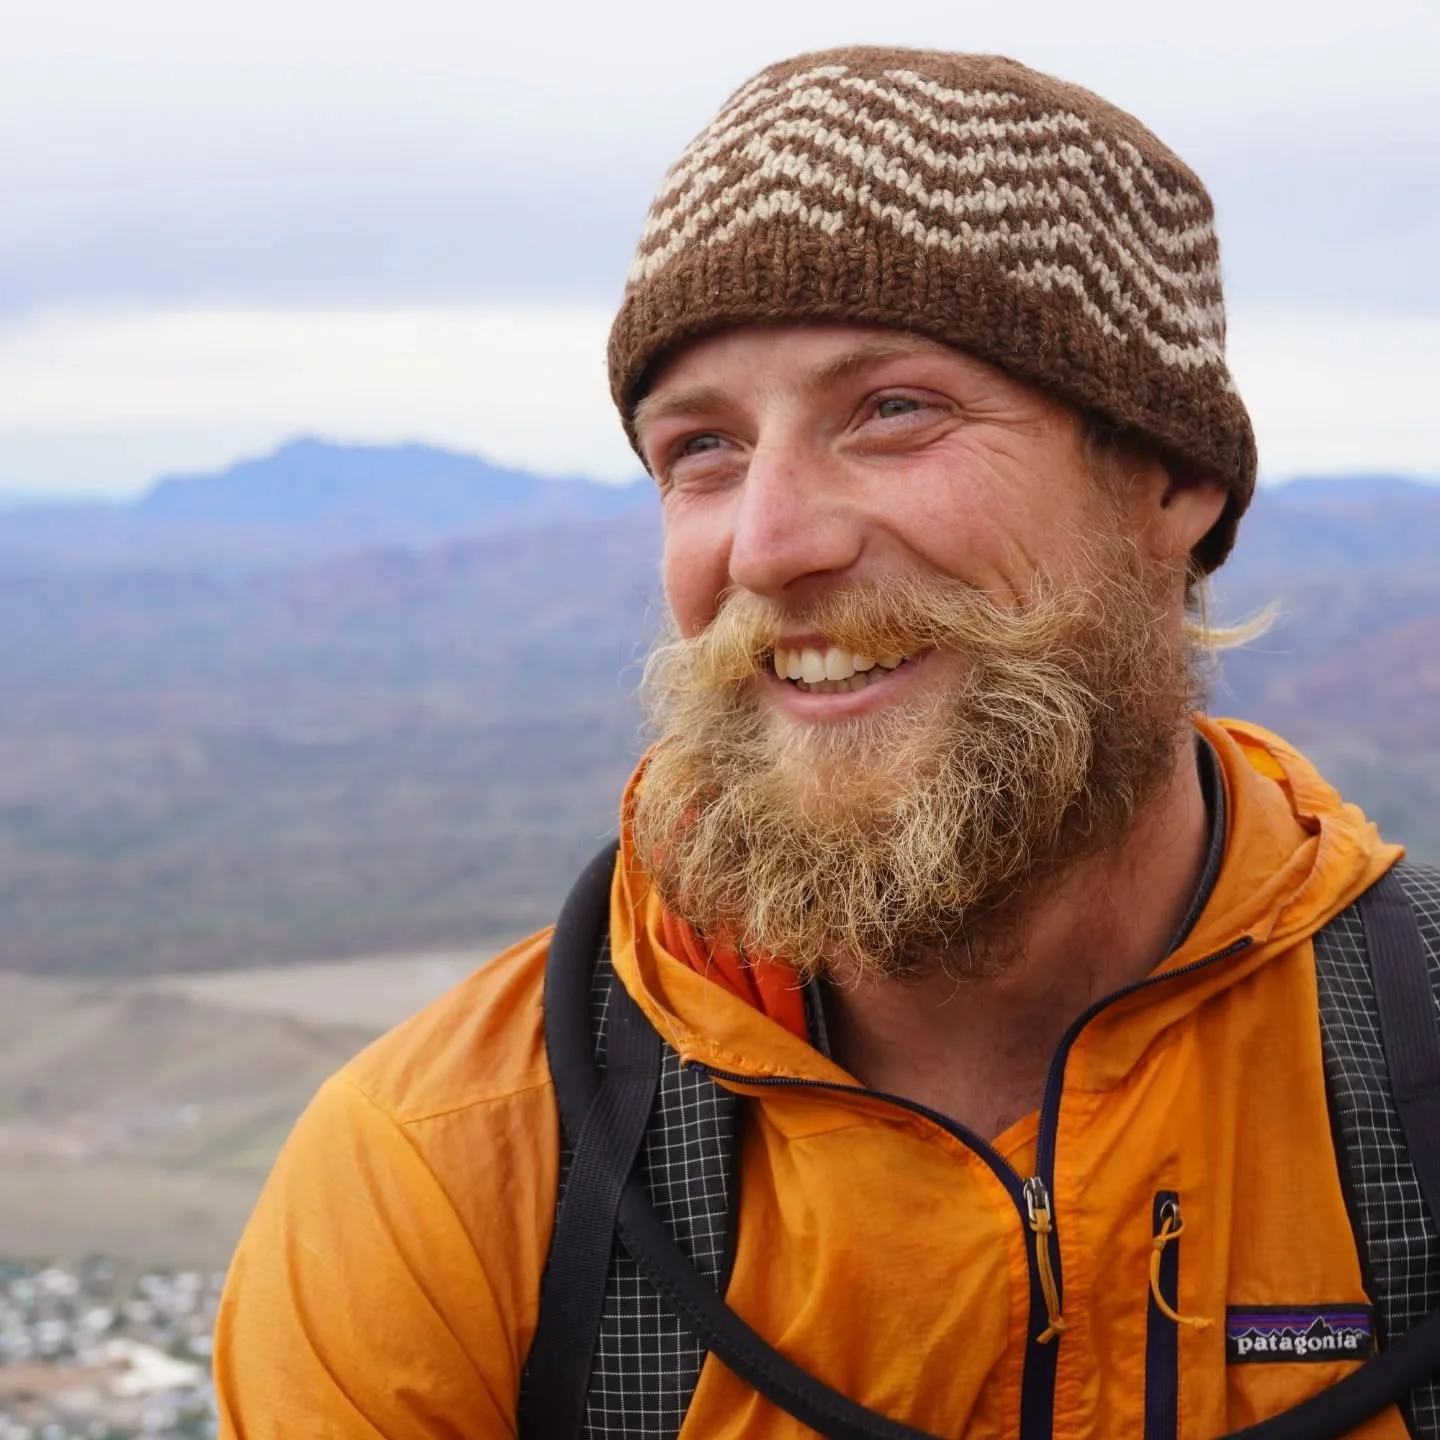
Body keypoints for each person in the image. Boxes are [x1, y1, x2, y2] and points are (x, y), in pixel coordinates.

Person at [214, 46, 1440, 1439]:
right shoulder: (451, 1171)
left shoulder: (1412, 1076)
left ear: (1174, 477)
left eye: (894, 411)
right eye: (701, 448)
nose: (769, 545)